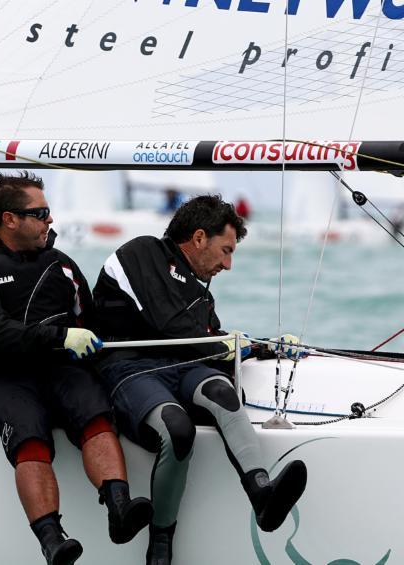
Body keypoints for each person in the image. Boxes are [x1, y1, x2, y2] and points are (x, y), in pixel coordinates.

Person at [0, 171, 152, 565]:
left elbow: (90, 320)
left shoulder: (62, 265)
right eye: (40, 213)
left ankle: (119, 506)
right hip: (2, 375)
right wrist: (59, 338)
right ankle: (52, 539)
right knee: (30, 437)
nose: (50, 220)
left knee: (94, 414)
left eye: (48, 212)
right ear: (9, 219)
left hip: (61, 371)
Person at [92, 195, 308, 564]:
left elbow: (208, 341)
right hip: (130, 368)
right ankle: (161, 541)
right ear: (197, 238)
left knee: (223, 393)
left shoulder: (197, 291)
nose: (228, 264)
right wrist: (226, 344)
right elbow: (171, 324)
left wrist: (264, 348)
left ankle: (263, 497)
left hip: (183, 367)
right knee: (177, 427)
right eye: (225, 251)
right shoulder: (140, 253)